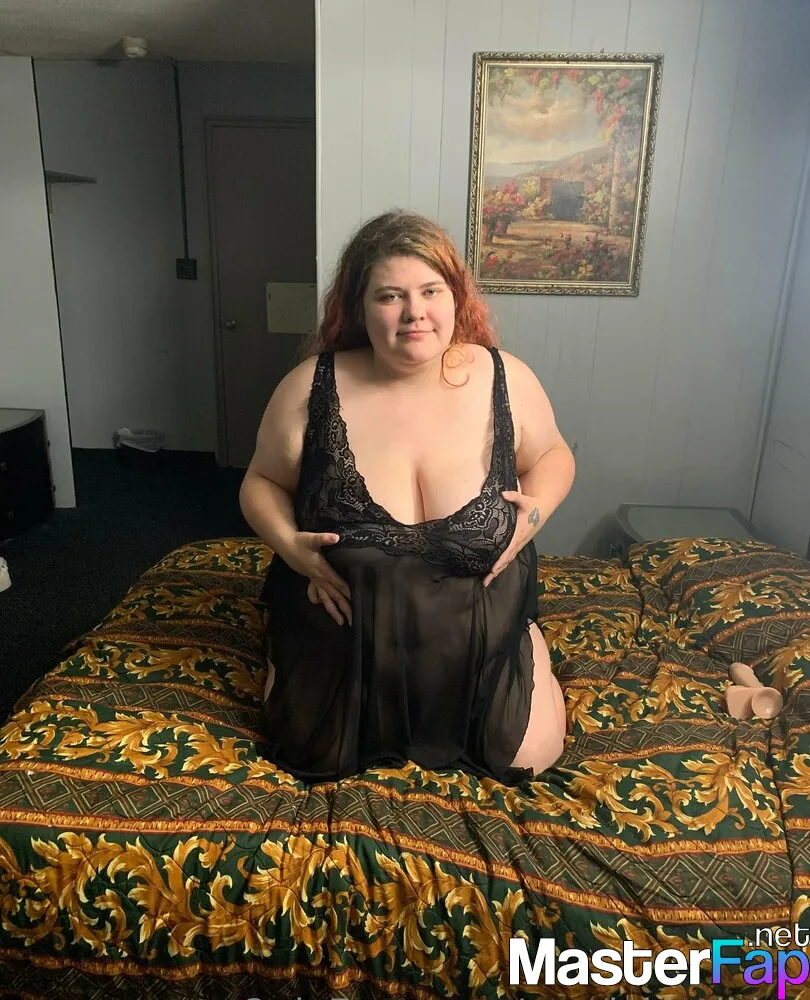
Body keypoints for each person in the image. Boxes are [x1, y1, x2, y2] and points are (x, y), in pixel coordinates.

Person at [239, 210, 576, 785]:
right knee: (312, 755)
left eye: (430, 290)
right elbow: (260, 481)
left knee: (525, 760)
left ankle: (529, 641)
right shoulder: (310, 387)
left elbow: (553, 454)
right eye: (390, 296)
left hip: (485, 647)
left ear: (456, 297)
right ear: (359, 308)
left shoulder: (506, 378)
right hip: (343, 649)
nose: (414, 312)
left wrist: (535, 511)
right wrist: (291, 547)